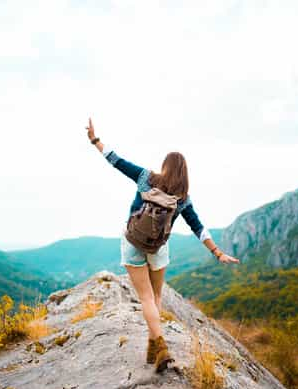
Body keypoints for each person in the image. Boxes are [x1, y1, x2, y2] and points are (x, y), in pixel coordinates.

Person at [85, 117, 240, 373]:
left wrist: (95, 140)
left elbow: (116, 160)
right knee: (156, 296)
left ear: (165, 167)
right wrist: (217, 252)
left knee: (145, 297)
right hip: (158, 249)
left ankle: (160, 347)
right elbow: (198, 228)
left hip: (132, 242)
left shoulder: (146, 177)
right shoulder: (183, 198)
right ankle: (153, 347)